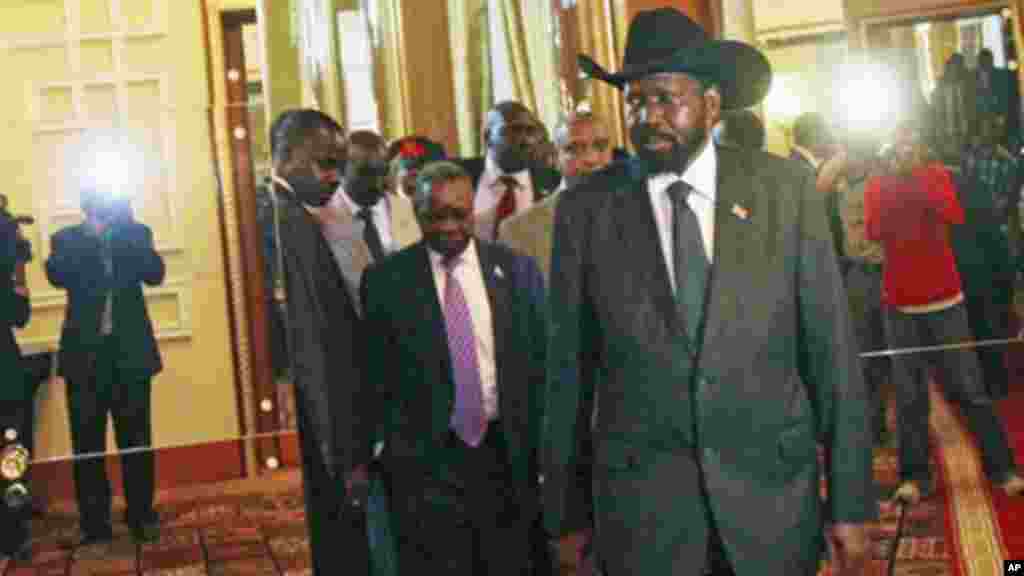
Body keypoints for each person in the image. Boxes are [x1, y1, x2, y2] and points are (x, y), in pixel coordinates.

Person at [543, 8, 874, 576]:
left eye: (666, 98)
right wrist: (565, 516)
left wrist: (849, 501)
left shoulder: (782, 190)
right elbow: (569, 372)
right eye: (635, 101)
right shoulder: (585, 211)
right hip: (645, 520)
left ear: (712, 104)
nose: (649, 117)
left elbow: (832, 354)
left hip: (771, 504)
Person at [360, 161, 547, 576]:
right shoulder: (385, 281)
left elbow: (540, 365)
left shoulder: (517, 271)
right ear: (416, 210)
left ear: (473, 209)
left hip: (505, 453)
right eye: (434, 215)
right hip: (428, 461)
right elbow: (375, 376)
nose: (448, 226)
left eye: (459, 214)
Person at [866, 122, 1024, 504]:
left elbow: (951, 213)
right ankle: (915, 477)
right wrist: (896, 182)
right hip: (899, 303)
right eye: (898, 145)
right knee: (908, 395)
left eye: (911, 144)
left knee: (970, 388)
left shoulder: (937, 176)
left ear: (920, 147)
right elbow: (873, 229)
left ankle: (1002, 469)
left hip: (944, 300)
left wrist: (916, 178)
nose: (904, 151)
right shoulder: (877, 184)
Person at [267, 109, 372, 575]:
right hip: (320, 401)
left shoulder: (300, 215)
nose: (335, 176)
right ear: (287, 157)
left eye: (339, 164)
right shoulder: (279, 219)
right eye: (324, 163)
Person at [45, 189, 164, 544]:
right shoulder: (66, 239)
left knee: (137, 440)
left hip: (131, 358)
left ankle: (142, 515)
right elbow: (57, 275)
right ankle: (94, 523)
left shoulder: (136, 233)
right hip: (85, 361)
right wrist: (93, 238)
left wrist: (126, 230)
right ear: (86, 206)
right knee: (87, 445)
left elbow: (154, 274)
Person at [498, 110, 613, 278]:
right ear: (554, 155)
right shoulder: (517, 231)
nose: (591, 159)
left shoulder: (640, 215)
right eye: (575, 149)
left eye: (600, 146)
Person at [321, 129, 421, 310]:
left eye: (382, 172)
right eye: (365, 173)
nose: (377, 183)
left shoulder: (406, 210)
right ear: (341, 169)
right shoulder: (323, 221)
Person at [458, 101, 556, 241]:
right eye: (514, 130)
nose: (525, 140)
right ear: (487, 137)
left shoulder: (553, 183)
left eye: (530, 131)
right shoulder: (458, 174)